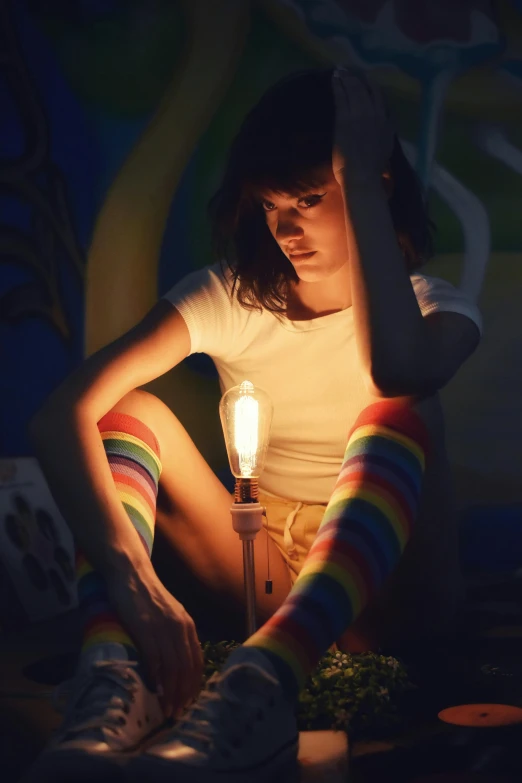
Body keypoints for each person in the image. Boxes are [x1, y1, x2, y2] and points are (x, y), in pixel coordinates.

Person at [28, 67, 481, 781]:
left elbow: (400, 369)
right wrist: (134, 583)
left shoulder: (436, 307)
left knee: (403, 405)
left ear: (375, 184)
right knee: (128, 410)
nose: (288, 227)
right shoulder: (232, 294)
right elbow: (61, 413)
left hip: (393, 600)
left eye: (310, 196)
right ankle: (111, 674)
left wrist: (358, 177)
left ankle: (264, 677)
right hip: (260, 575)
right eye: (273, 205)